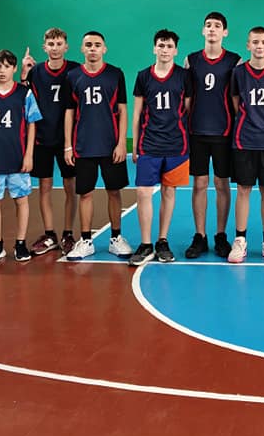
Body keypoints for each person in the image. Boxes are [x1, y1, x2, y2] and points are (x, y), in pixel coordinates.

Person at [62, 31, 131, 260]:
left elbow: (122, 110)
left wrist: (122, 143)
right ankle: (86, 241)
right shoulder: (72, 76)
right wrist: (68, 146)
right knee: (85, 194)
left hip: (111, 145)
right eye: (89, 45)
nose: (93, 48)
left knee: (114, 192)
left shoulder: (115, 74)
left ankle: (116, 238)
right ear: (82, 49)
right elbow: (69, 112)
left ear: (104, 49)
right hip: (83, 145)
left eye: (97, 45)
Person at [0, 50, 43, 264]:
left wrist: (29, 154)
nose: (2, 71)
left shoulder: (24, 93)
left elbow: (32, 124)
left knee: (21, 200)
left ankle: (20, 243)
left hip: (18, 157)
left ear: (14, 68)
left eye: (6, 66)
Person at [130, 29, 192, 265]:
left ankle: (162, 240)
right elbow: (137, 113)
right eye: (161, 45)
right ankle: (146, 243)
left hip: (177, 144)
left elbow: (187, 109)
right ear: (154, 48)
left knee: (169, 192)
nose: (165, 50)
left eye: (169, 46)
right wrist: (135, 145)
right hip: (149, 144)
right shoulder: (143, 76)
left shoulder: (184, 76)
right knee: (143, 192)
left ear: (175, 51)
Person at [182, 12, 241, 259]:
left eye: (217, 26)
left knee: (221, 184)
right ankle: (200, 236)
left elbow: (238, 98)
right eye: (208, 25)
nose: (212, 29)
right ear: (203, 30)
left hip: (224, 131)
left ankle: (220, 235)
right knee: (199, 184)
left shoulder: (235, 61)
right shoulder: (191, 60)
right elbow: (186, 98)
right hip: (197, 131)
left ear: (225, 32)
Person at [228, 26, 264, 263]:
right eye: (255, 42)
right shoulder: (238, 73)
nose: (259, 46)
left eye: (263, 42)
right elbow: (235, 102)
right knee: (243, 189)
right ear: (248, 45)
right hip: (244, 139)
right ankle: (240, 240)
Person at [21, 29, 80, 256]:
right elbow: (24, 100)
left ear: (66, 47)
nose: (55, 48)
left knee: (70, 186)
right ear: (44, 47)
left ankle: (68, 233)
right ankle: (49, 234)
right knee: (44, 187)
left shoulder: (75, 70)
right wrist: (24, 76)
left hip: (67, 139)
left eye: (59, 43)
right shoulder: (35, 72)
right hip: (42, 138)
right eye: (51, 44)